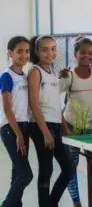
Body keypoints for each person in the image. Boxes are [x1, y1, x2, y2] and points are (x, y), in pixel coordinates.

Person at [60, 37, 92, 207]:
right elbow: (53, 101)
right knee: (71, 167)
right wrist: (65, 127)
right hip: (72, 127)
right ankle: (76, 202)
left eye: (90, 53)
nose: (86, 56)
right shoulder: (68, 76)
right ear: (75, 54)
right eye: (82, 53)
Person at [28, 35, 74, 207]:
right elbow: (33, 103)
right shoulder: (35, 72)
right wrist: (46, 132)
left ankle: (50, 203)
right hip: (41, 125)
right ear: (37, 51)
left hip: (54, 125)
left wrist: (64, 125)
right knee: (46, 169)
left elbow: (55, 103)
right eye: (45, 49)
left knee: (68, 168)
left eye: (53, 48)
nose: (50, 53)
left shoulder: (53, 72)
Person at [0, 36, 33, 207]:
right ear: (10, 53)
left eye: (27, 51)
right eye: (19, 51)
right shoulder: (6, 76)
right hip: (10, 129)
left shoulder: (26, 76)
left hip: (24, 127)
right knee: (26, 175)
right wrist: (18, 134)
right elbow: (7, 109)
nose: (24, 55)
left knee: (17, 173)